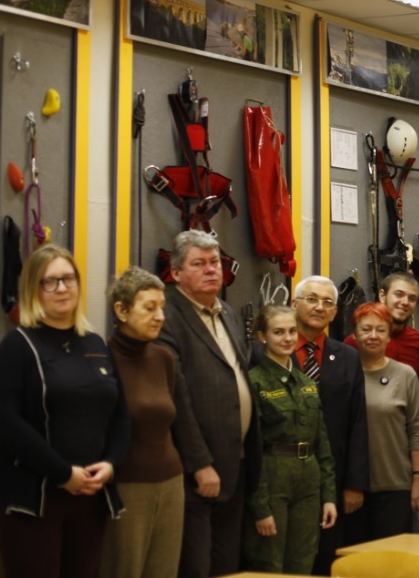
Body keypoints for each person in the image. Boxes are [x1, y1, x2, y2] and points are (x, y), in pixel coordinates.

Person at [0, 244, 129, 578]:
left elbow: (121, 412)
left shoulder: (96, 343)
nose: (62, 288)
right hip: (33, 499)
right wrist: (63, 474)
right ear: (32, 289)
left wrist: (111, 463)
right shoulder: (17, 346)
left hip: (91, 495)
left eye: (68, 279)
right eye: (50, 281)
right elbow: (7, 423)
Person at [157, 230, 259, 578]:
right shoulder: (166, 316)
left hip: (237, 462)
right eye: (199, 264)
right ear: (176, 272)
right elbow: (176, 395)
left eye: (215, 262)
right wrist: (200, 463)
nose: (211, 270)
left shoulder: (227, 312)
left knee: (227, 566)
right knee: (196, 567)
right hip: (196, 469)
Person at [100, 267, 186, 578]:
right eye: (149, 308)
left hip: (171, 482)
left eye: (161, 307)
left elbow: (173, 420)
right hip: (127, 485)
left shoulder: (164, 358)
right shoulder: (102, 360)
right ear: (121, 311)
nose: (160, 316)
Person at [243, 305, 337, 575]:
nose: (287, 338)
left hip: (308, 478)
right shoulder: (254, 382)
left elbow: (322, 443)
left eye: (292, 331)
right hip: (273, 477)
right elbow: (251, 450)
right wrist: (260, 508)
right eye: (278, 332)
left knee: (303, 560)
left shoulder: (306, 382)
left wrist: (329, 496)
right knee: (269, 561)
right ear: (262, 336)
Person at [288, 276, 368, 575]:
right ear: (294, 304)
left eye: (327, 302)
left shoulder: (348, 357)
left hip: (333, 476)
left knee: (327, 559)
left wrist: (354, 484)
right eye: (311, 299)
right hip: (283, 474)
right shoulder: (270, 351)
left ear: (335, 313)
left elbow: (358, 423)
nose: (319, 307)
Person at [347, 301, 419, 541]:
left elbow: (418, 429)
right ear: (354, 335)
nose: (373, 336)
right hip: (352, 487)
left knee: (395, 557)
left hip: (396, 487)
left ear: (389, 336)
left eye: (380, 330)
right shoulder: (343, 374)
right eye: (366, 329)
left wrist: (418, 478)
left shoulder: (405, 375)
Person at [343, 270, 419, 377]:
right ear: (382, 296)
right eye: (399, 295)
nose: (405, 302)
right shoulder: (357, 342)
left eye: (412, 298)